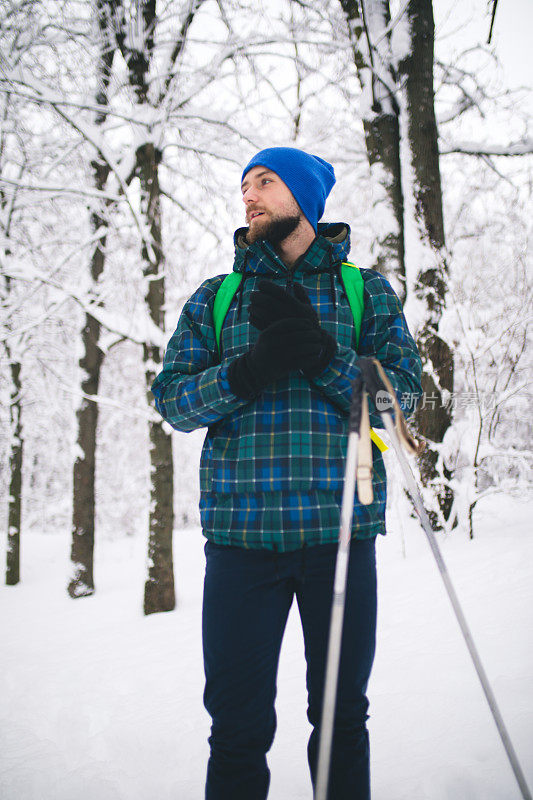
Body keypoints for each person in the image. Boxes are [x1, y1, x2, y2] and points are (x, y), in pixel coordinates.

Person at [151, 147, 422, 800]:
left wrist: (327, 355)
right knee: (237, 729)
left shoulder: (365, 294)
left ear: (304, 195)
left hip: (339, 540)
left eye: (265, 181)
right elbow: (173, 401)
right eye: (243, 184)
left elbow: (400, 404)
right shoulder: (218, 299)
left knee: (339, 722)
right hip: (242, 547)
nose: (249, 194)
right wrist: (250, 368)